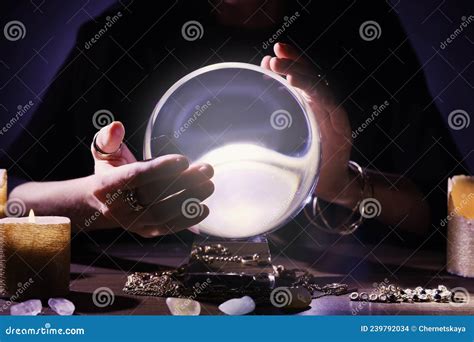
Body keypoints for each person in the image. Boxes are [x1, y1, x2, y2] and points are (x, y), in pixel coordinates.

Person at [3, 0, 464, 243]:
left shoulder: (361, 29)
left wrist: (341, 184)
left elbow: (452, 216)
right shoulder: (122, 35)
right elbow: (12, 198)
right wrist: (96, 203)